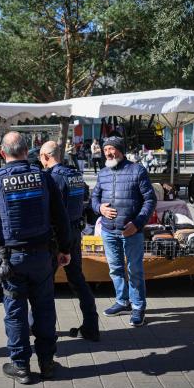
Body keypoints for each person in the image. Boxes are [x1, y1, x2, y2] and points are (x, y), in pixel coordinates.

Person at [0, 132, 71, 384]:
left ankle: (21, 367)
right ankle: (47, 363)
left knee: (15, 313)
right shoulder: (44, 177)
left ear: (3, 154)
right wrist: (65, 248)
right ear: (27, 151)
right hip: (42, 257)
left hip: (12, 260)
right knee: (45, 310)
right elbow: (61, 216)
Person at [91, 136, 156, 327]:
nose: (109, 153)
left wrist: (137, 223)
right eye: (106, 150)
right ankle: (122, 301)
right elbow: (94, 198)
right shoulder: (102, 173)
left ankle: (138, 306)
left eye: (112, 149)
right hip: (108, 230)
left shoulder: (137, 170)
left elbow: (150, 200)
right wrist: (99, 209)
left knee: (135, 270)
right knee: (115, 268)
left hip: (131, 231)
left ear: (121, 150)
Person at [39, 141, 99, 341]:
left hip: (58, 237)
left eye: (41, 158)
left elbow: (50, 209)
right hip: (75, 232)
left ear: (46, 156)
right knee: (77, 279)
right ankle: (91, 325)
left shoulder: (52, 177)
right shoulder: (75, 174)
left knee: (44, 283)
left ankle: (40, 327)